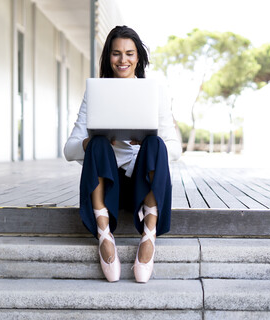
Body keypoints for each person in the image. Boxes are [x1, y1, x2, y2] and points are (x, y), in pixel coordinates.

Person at [64, 26, 181, 283]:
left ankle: (148, 237)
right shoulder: (96, 93)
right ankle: (104, 235)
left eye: (129, 53)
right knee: (95, 144)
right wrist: (94, 141)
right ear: (108, 57)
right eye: (116, 54)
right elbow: (69, 149)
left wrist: (145, 140)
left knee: (156, 143)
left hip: (143, 186)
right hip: (107, 190)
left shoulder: (154, 93)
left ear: (138, 57)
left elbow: (175, 149)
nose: (123, 60)